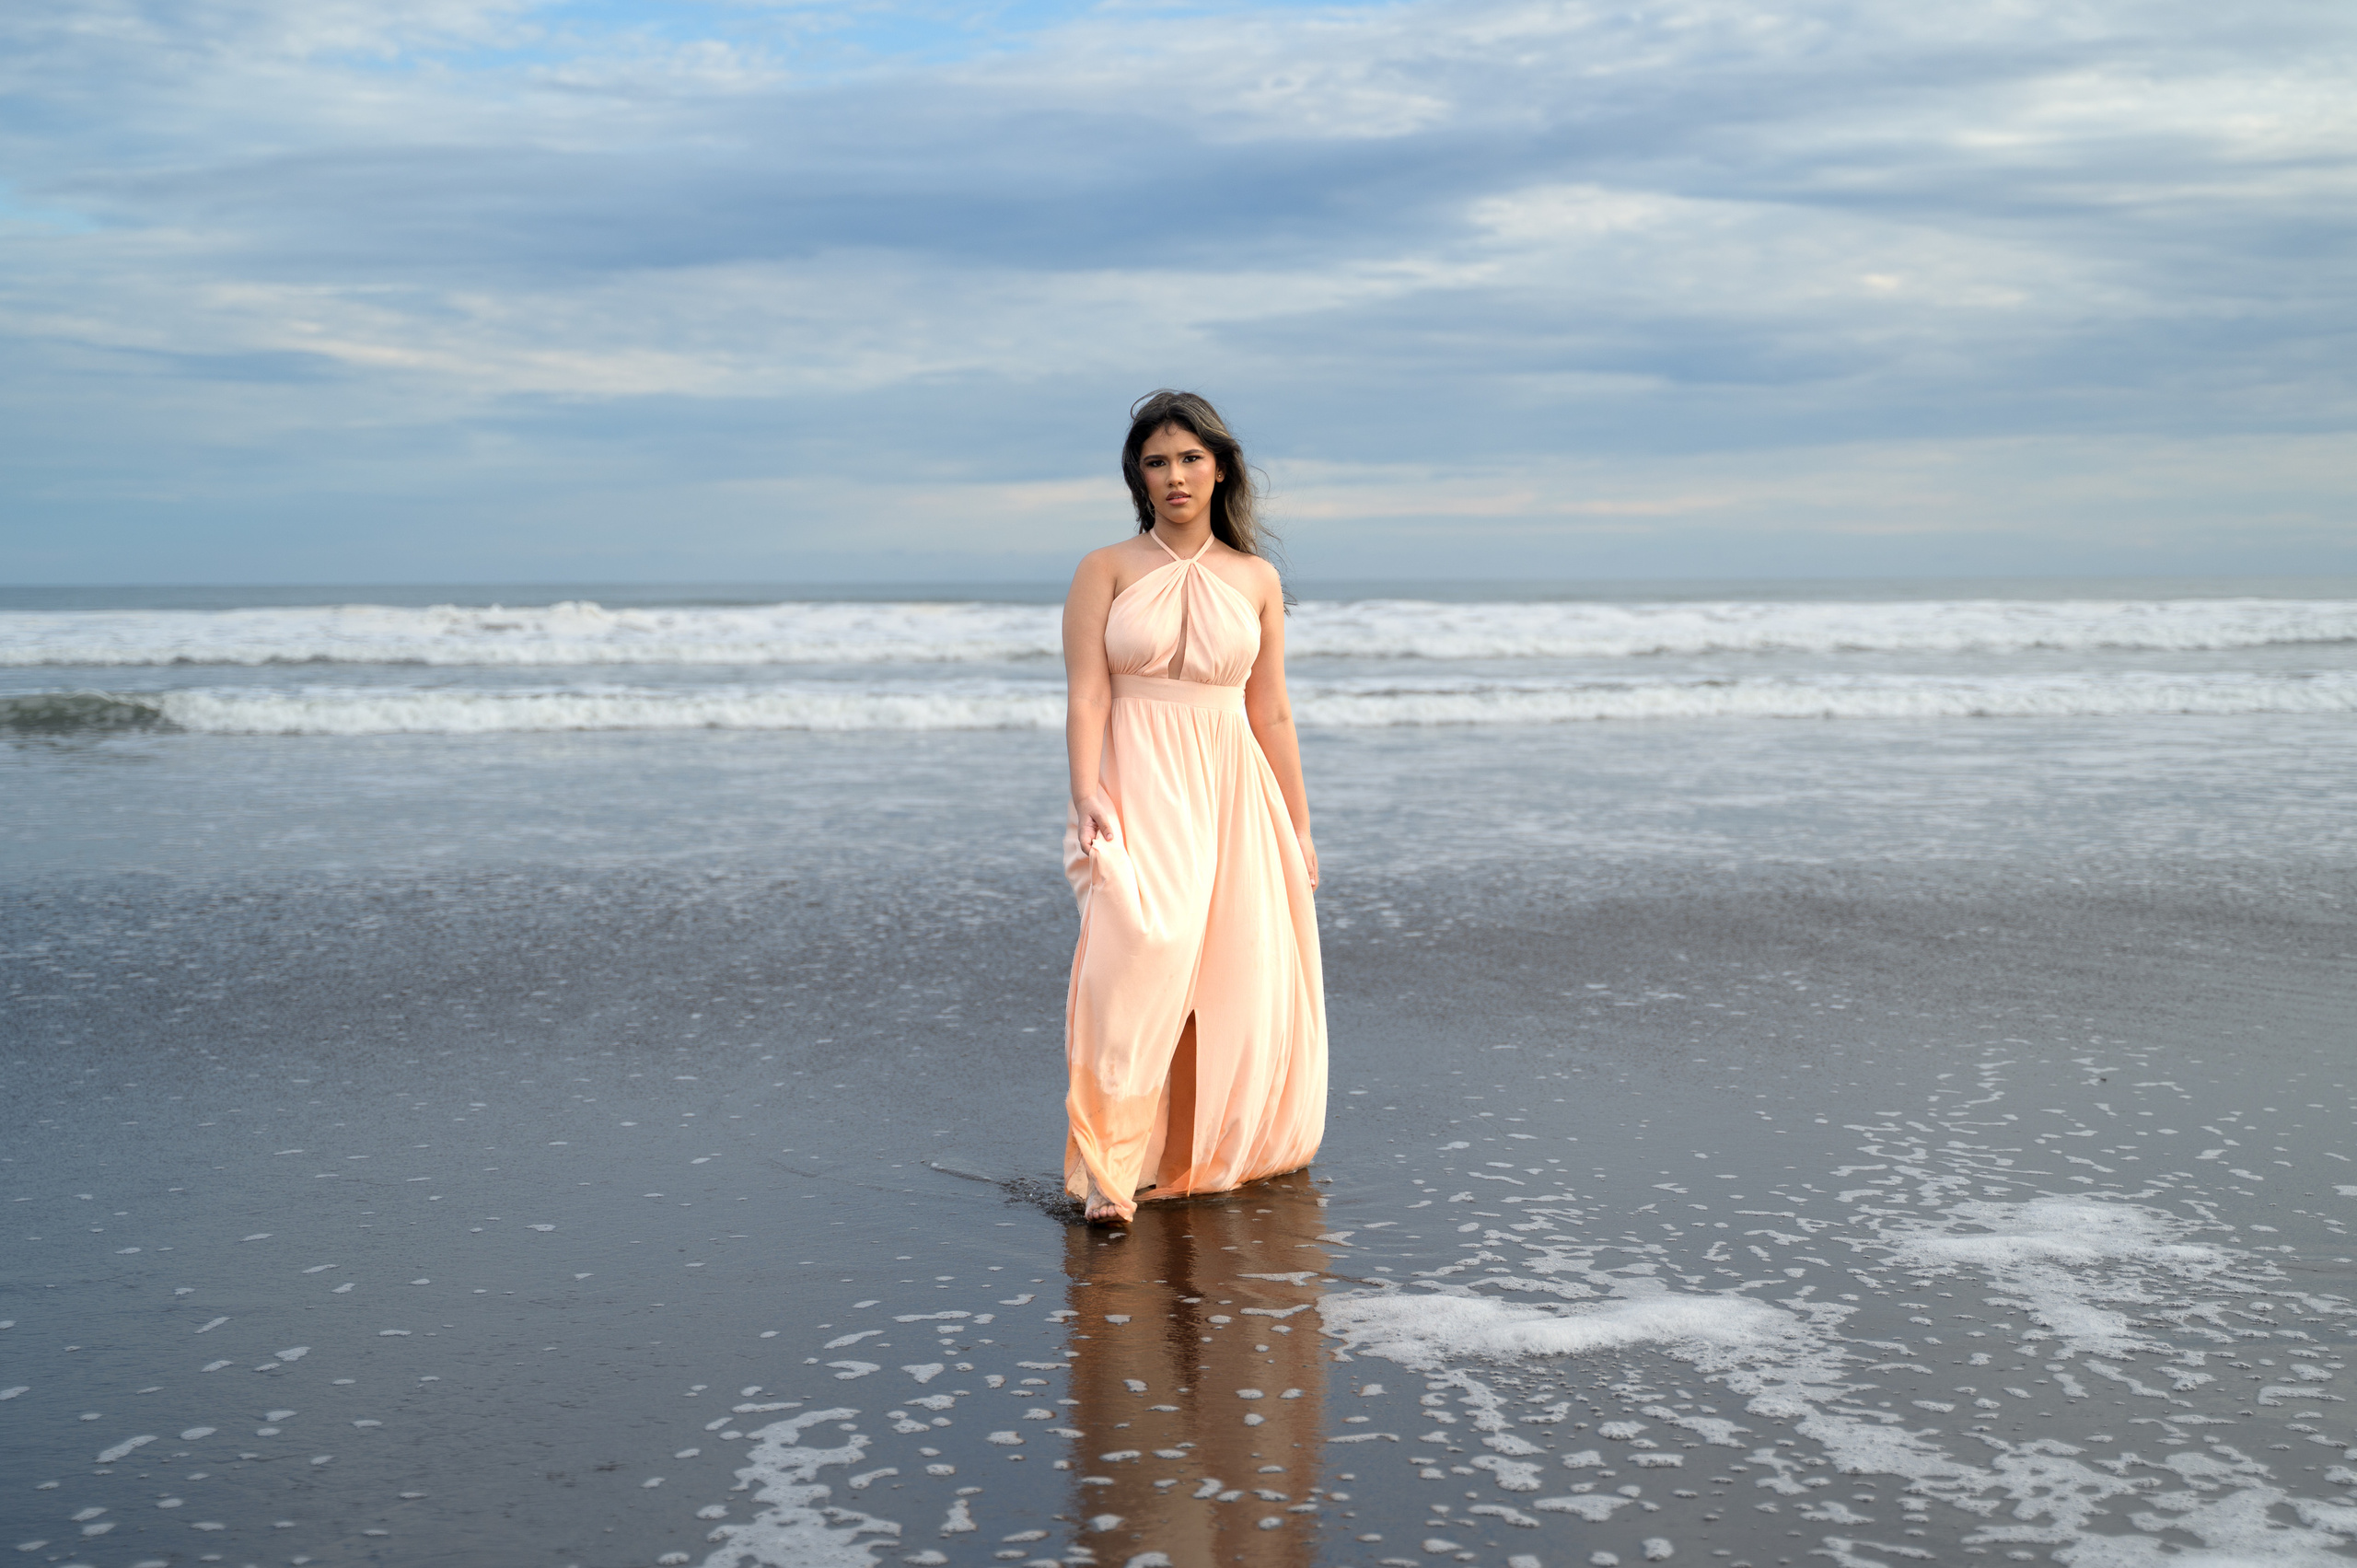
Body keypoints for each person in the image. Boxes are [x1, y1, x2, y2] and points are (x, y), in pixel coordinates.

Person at [1059, 389, 1328, 1225]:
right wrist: (1084, 789)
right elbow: (1087, 694)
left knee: (1230, 968)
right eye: (1156, 461)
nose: (1174, 475)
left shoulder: (1255, 578)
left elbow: (1272, 709)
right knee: (1141, 951)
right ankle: (1111, 1166)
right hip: (1136, 780)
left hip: (1233, 786)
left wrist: (1302, 821)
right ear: (1138, 477)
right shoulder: (1104, 567)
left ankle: (1199, 1155)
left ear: (1219, 468)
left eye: (1189, 458)